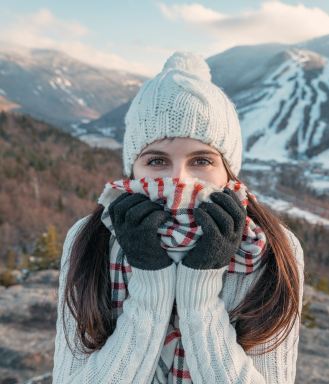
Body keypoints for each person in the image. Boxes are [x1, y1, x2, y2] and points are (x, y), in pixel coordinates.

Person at [52, 51, 304, 383]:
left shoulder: (269, 248)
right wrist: (149, 283)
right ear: (134, 168)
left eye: (201, 161)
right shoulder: (92, 237)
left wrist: (199, 292)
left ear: (228, 171)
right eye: (157, 161)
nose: (180, 179)